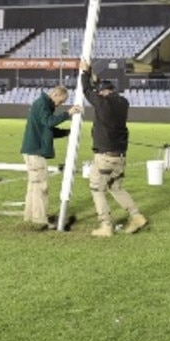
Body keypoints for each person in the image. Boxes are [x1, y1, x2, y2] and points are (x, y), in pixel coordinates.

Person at [79, 60, 148, 237]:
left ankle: (106, 225)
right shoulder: (123, 102)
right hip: (120, 155)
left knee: (97, 188)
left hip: (106, 155)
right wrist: (94, 76)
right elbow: (98, 90)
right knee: (116, 187)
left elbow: (86, 90)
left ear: (102, 93)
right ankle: (136, 216)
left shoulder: (102, 103)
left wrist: (84, 73)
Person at [20, 84, 80, 230]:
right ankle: (40, 218)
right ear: (56, 95)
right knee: (41, 186)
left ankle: (30, 215)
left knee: (33, 186)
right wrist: (68, 113)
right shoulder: (43, 105)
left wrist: (67, 133)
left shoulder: (42, 104)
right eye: (61, 101)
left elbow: (48, 129)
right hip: (36, 152)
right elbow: (49, 122)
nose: (61, 104)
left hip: (32, 150)